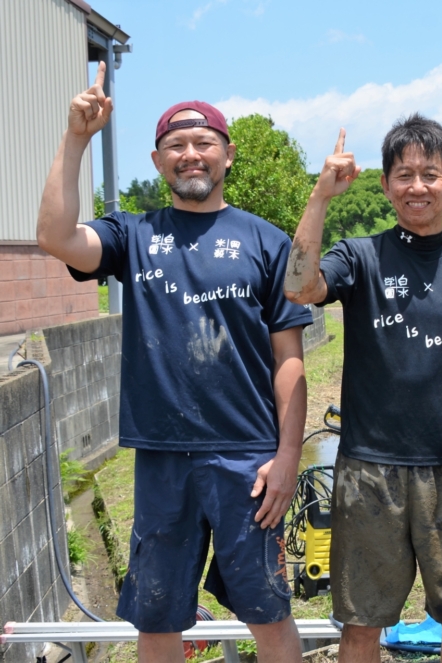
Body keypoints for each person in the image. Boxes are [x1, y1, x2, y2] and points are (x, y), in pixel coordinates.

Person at [35, 63, 311, 663]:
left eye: (203, 143)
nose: (191, 155)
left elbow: (288, 360)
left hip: (250, 459)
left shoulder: (267, 242)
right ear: (158, 161)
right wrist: (76, 138)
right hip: (162, 457)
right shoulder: (134, 235)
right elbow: (56, 236)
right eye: (176, 146)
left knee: (269, 612)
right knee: (158, 618)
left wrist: (289, 457)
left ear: (227, 155)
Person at [283, 114, 442, 663]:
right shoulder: (360, 257)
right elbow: (298, 287)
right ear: (386, 185)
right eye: (404, 174)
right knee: (361, 623)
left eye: (430, 174)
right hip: (369, 469)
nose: (418, 186)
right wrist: (320, 196)